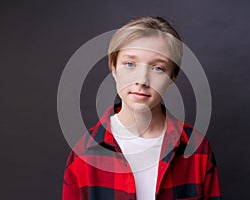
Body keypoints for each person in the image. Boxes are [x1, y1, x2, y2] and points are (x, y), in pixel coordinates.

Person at [62, 16, 222, 200]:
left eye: (158, 68)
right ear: (113, 68)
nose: (142, 80)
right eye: (130, 64)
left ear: (172, 78)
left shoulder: (197, 149)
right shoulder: (83, 154)